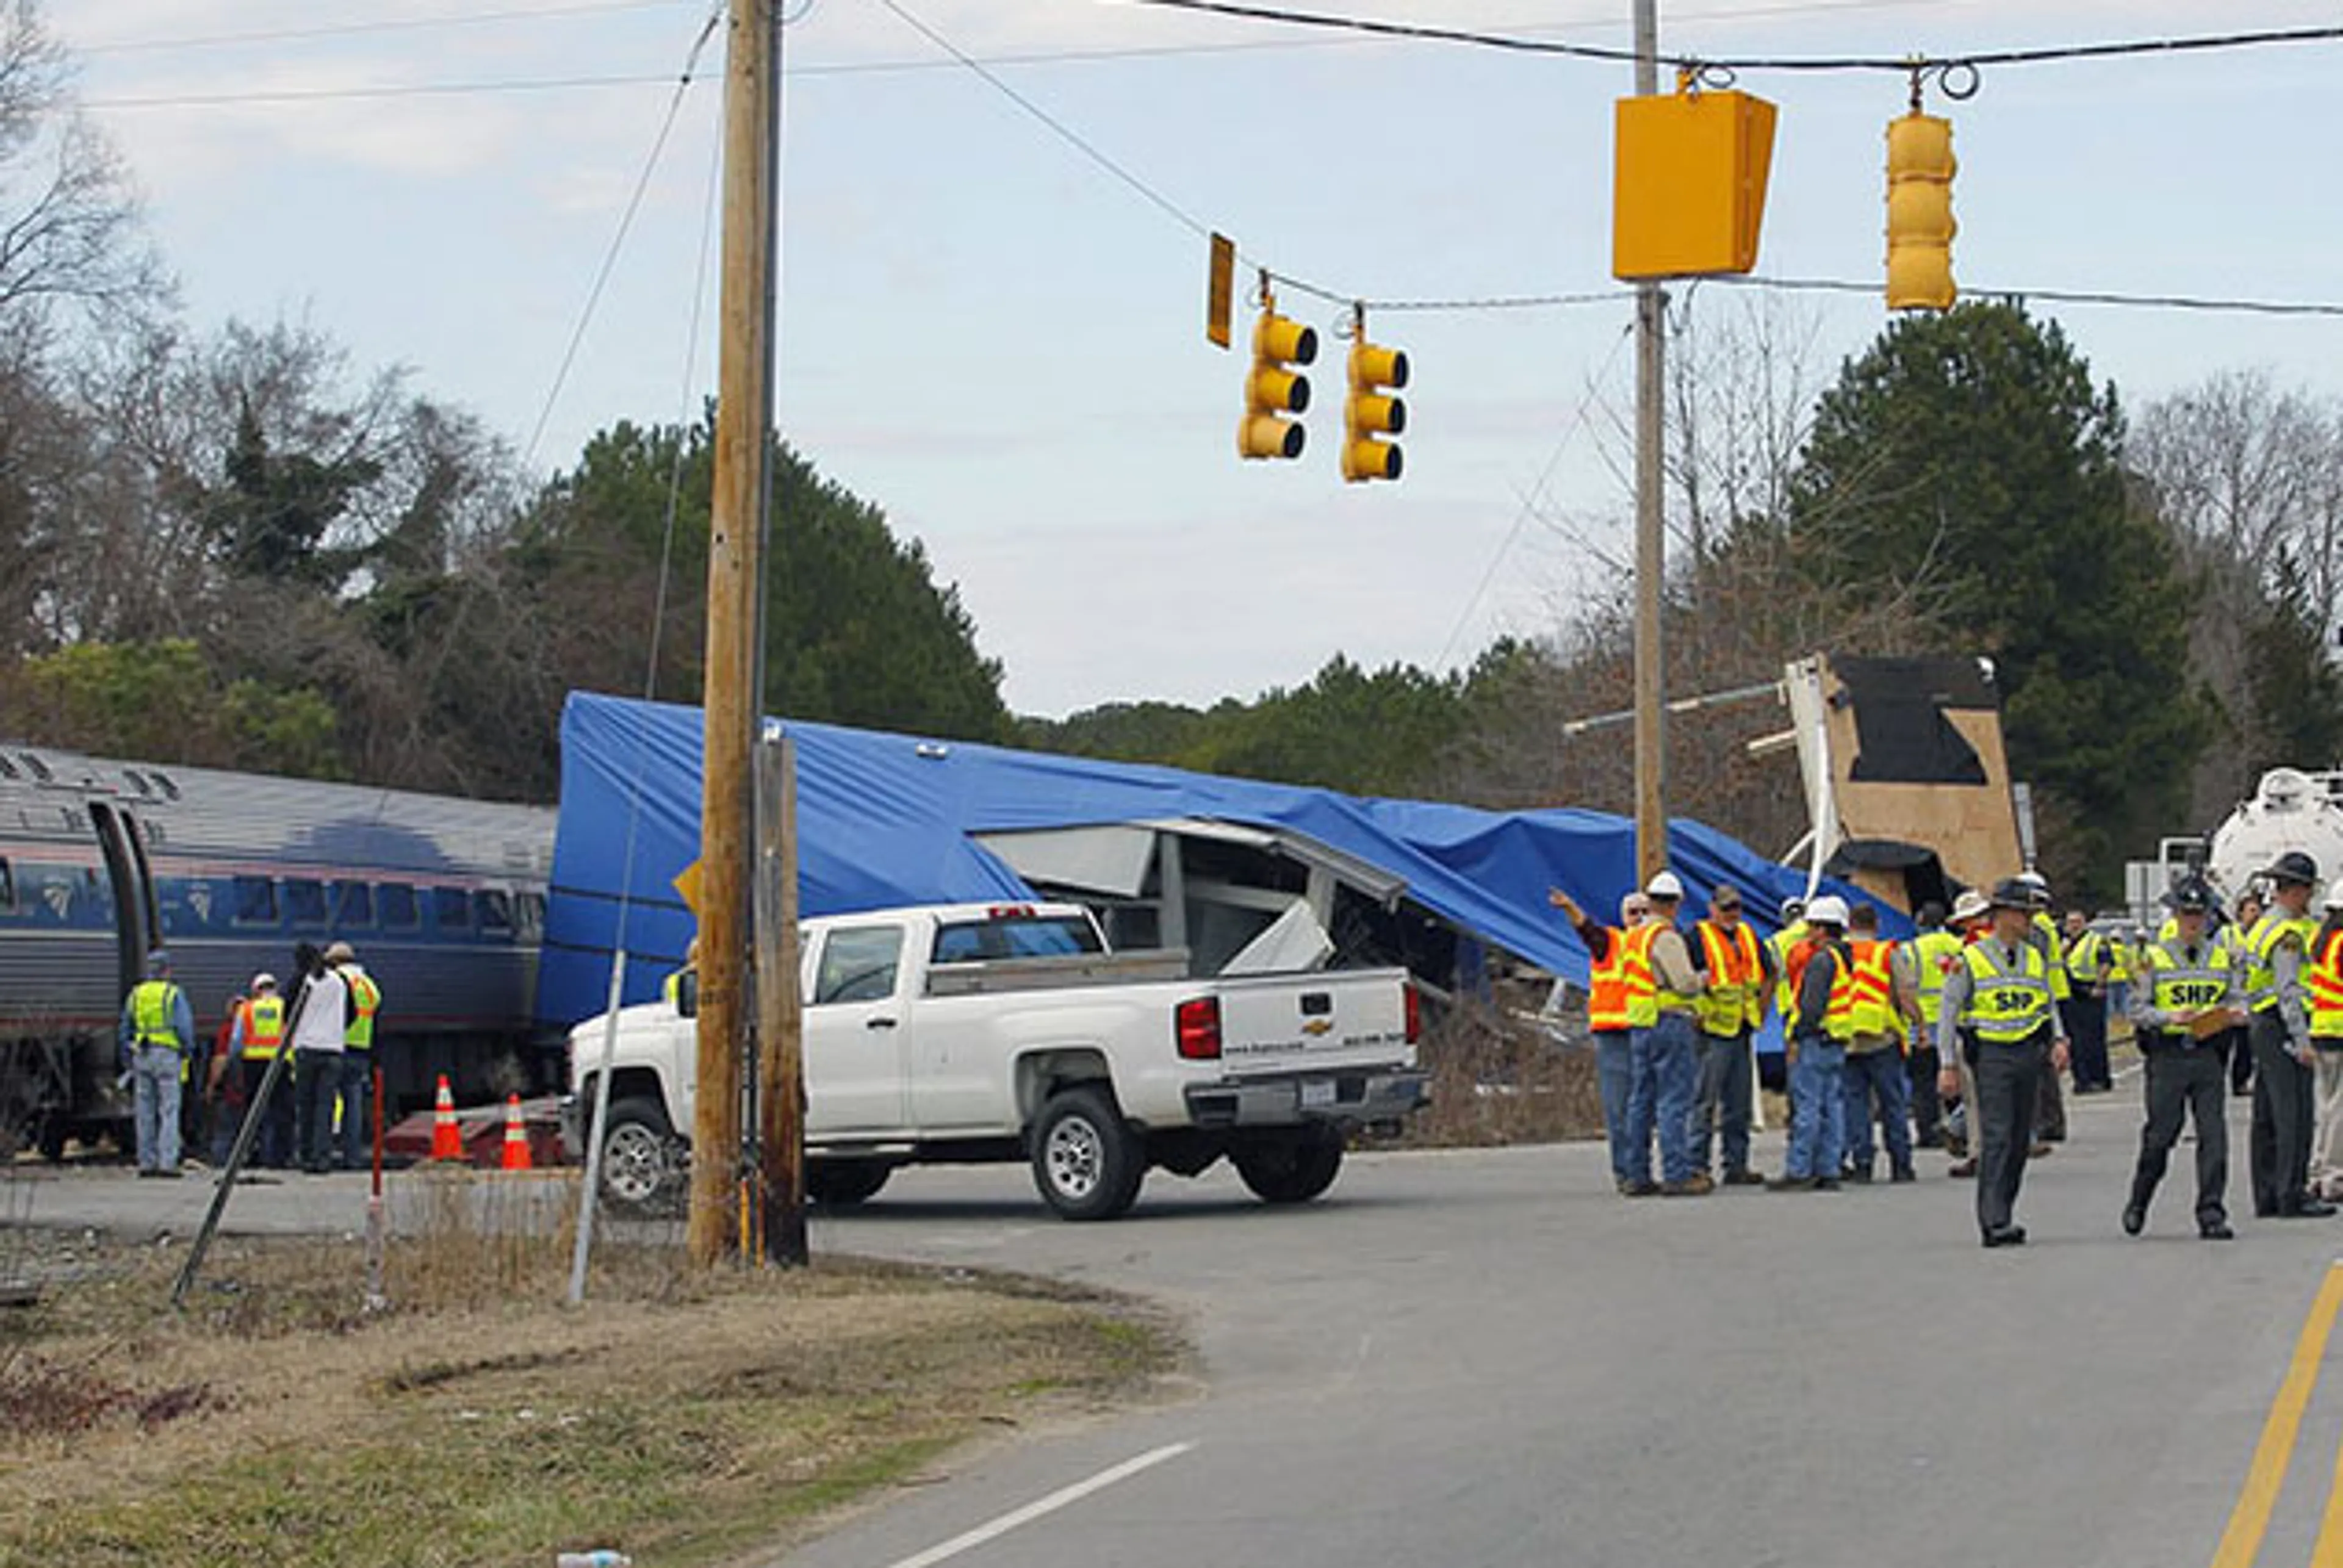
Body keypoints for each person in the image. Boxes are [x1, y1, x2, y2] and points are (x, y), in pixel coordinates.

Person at [1937, 879, 2071, 1247]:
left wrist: (2059, 1039)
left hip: (2028, 1052)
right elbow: (1949, 1014)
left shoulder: (2033, 957)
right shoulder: (1970, 960)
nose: (2030, 920)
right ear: (2003, 915)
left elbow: (2047, 1002)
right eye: (2024, 913)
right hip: (1992, 1055)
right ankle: (1993, 1220)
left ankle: (2005, 1211)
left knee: (2018, 1139)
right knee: (1996, 1136)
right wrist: (1947, 1064)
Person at [2124, 880, 2236, 1240]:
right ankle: (2140, 1199)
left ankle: (2211, 1212)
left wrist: (2232, 1014)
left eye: (2199, 915)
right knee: (2161, 1136)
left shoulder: (2222, 957)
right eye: (2187, 914)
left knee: (2214, 1136)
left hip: (2208, 1052)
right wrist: (2169, 1017)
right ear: (2175, 915)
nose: (2193, 921)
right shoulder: (2152, 958)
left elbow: (2238, 998)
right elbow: (2137, 1010)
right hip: (2168, 1055)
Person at [2245, 852, 2330, 1218]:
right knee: (2293, 1112)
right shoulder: (2289, 935)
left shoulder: (2263, 926)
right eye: (2308, 891)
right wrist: (2302, 1040)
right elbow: (2290, 991)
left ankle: (2267, 1193)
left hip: (2263, 1022)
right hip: (2283, 1024)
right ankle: (2292, 1193)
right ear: (2297, 891)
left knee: (2266, 1113)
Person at [1552, 886, 1651, 1195]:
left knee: (1646, 1108)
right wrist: (1570, 907)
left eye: (1645, 911)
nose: (1639, 917)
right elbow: (1587, 929)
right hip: (1615, 1034)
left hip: (1649, 1032)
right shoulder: (1611, 942)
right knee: (1619, 1108)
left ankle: (1643, 1170)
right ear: (1623, 917)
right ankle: (1627, 1173)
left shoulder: (1659, 944)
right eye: (1633, 912)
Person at [1629, 871, 1711, 1197]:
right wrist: (1703, 978)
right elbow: (1685, 983)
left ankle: (1637, 1174)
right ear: (1676, 903)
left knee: (1641, 1102)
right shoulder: (1665, 937)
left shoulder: (1635, 936)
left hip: (1641, 1023)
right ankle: (1677, 1174)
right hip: (1669, 1022)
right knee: (1674, 1100)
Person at [1691, 883, 1771, 1187]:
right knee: (1704, 1102)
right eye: (1726, 908)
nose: (1732, 914)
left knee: (1739, 1104)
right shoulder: (1697, 936)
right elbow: (1684, 979)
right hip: (1711, 1032)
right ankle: (1696, 1165)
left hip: (1741, 1029)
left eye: (1736, 908)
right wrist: (1697, 1013)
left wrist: (1762, 1009)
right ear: (1712, 909)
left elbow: (1769, 972)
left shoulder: (1748, 936)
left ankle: (1736, 1165)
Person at [1772, 895, 1852, 1193]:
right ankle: (1829, 1169)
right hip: (1835, 1041)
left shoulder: (1821, 961)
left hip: (1815, 1040)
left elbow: (1812, 1006)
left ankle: (1800, 1169)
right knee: (1832, 1108)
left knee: (1807, 1107)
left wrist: (1796, 1037)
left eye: (1812, 926)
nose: (1807, 932)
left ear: (1822, 928)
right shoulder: (1843, 957)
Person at [1840, 902, 1918, 1183]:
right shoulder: (1886, 952)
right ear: (1876, 925)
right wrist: (1919, 1025)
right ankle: (1901, 1163)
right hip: (1883, 1038)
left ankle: (1862, 1163)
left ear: (1850, 924)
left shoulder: (1838, 952)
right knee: (1892, 1103)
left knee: (1855, 1105)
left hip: (1847, 1038)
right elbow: (1905, 994)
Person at [118, 950, 195, 1177]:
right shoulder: (172, 994)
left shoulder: (136, 994)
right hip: (167, 1055)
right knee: (169, 1110)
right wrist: (187, 1050)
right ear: (167, 971)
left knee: (144, 1111)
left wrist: (127, 1056)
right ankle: (167, 1163)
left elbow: (125, 1028)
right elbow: (184, 1027)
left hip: (142, 1054)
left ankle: (146, 1162)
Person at [288, 943, 350, 1176]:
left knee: (306, 1105)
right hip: (332, 1049)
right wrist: (334, 1030)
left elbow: (288, 1011)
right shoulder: (340, 981)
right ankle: (322, 1157)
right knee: (326, 1106)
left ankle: (306, 1156)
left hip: (306, 1048)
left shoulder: (301, 981)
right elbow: (352, 1013)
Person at [1942, 889, 1992, 1176]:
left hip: (1975, 1029)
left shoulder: (1971, 948)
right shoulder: (2005, 943)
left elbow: (1955, 997)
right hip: (2010, 1029)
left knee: (1975, 1100)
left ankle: (1979, 1153)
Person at [2020, 872, 2072, 1145]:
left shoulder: (2035, 927)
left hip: (2043, 996)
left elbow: (2033, 963)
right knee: (2046, 1064)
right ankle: (2051, 1121)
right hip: (2054, 991)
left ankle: (2047, 1121)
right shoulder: (2045, 924)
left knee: (2042, 1064)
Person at [1909, 900, 1962, 1153]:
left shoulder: (1913, 949)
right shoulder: (1958, 946)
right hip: (1955, 1020)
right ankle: (1959, 1128)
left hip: (1924, 1023)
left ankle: (1929, 1132)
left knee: (1924, 1083)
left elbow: (1906, 987)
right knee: (1958, 1079)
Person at [329, 942, 383, 1171]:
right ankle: (352, 1156)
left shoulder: (337, 981)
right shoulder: (369, 985)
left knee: (326, 1102)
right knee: (354, 1105)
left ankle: (325, 1152)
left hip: (337, 1046)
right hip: (361, 1050)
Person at [229, 973, 291, 1168]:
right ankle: (278, 1157)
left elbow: (236, 1042)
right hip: (280, 1063)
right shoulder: (285, 1007)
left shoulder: (247, 1009)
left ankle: (252, 1154)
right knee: (281, 1111)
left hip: (253, 1063)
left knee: (253, 1112)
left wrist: (234, 1064)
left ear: (256, 990)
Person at [2310, 880, 2343, 1204]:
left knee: (2326, 1106)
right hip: (2340, 1029)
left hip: (2321, 1028)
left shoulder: (2321, 940)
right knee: (2339, 1110)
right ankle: (2334, 1175)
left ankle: (2319, 1170)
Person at [2063, 908, 2116, 1093]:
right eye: (2070, 922)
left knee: (2094, 1039)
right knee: (2076, 1041)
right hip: (2072, 993)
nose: (2074, 926)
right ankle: (2083, 1080)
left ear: (2085, 923)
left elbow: (2106, 964)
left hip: (2091, 993)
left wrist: (2099, 986)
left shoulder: (2096, 940)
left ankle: (2099, 1078)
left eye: (2077, 922)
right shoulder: (2065, 944)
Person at [2229, 890, 2265, 1098]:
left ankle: (2241, 1081)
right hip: (2230, 998)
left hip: (2251, 999)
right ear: (2241, 913)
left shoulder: (2263, 935)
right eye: (2251, 910)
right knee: (2226, 1044)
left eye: (2258, 910)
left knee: (2247, 1046)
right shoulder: (2228, 935)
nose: (2256, 914)